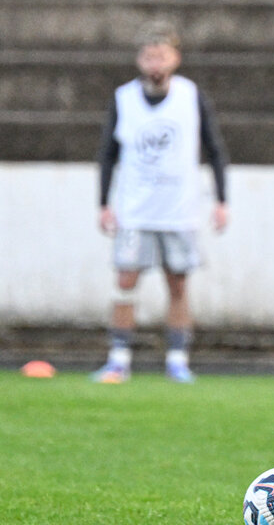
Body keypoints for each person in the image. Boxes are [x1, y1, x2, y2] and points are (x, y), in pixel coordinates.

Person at [91, 20, 229, 384]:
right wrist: (103, 202)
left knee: (178, 284)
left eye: (162, 56)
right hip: (135, 210)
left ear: (175, 59)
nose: (155, 63)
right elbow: (107, 153)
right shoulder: (124, 98)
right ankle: (118, 359)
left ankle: (178, 360)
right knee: (125, 279)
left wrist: (222, 200)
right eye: (149, 56)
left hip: (179, 210)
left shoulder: (191, 96)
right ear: (140, 60)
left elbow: (215, 148)